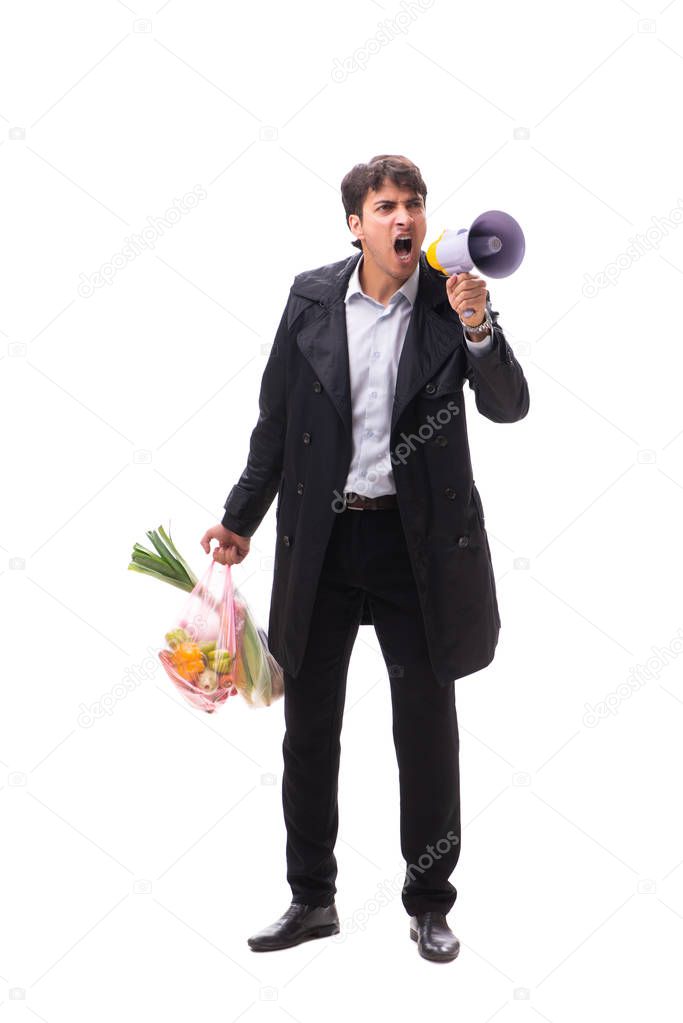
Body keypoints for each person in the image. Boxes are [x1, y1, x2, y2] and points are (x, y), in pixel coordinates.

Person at [200, 154, 530, 963]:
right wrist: (239, 517)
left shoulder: (449, 303)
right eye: (385, 206)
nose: (402, 218)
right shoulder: (311, 298)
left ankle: (428, 904)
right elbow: (275, 422)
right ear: (355, 223)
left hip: (415, 547)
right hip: (322, 543)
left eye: (413, 204)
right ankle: (311, 898)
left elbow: (508, 405)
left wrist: (479, 326)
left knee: (425, 731)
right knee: (308, 730)